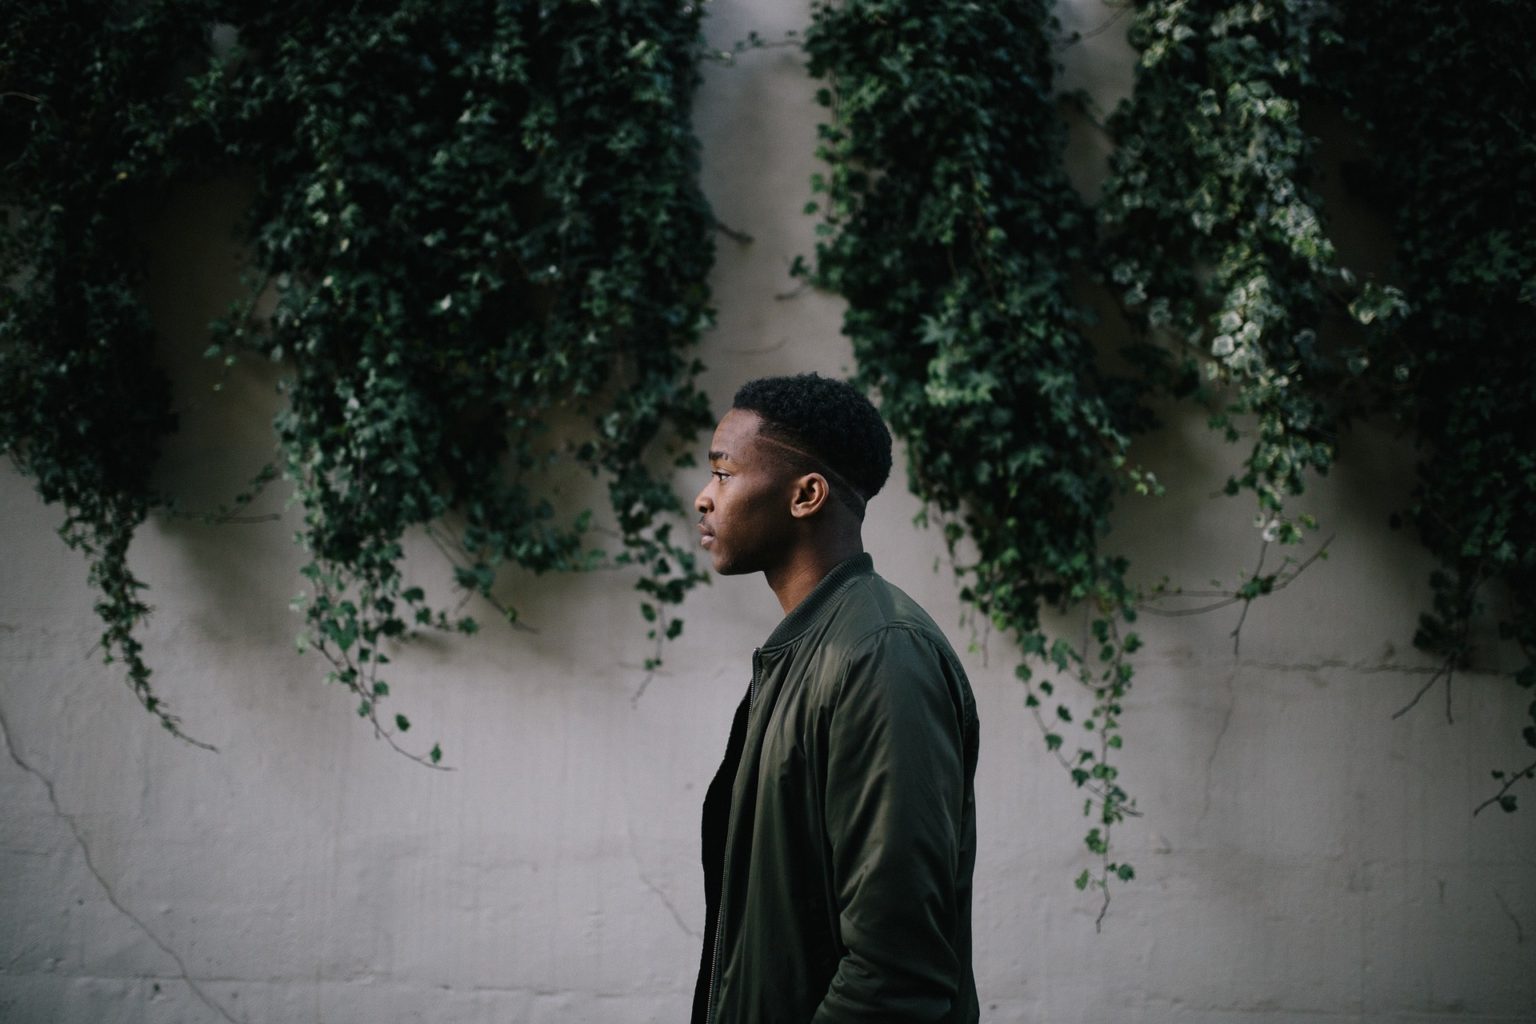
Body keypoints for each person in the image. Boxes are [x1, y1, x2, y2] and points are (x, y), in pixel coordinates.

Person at [690, 373, 980, 1024]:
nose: (705, 498)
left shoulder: (879, 656)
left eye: (724, 473)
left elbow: (896, 974)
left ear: (806, 495)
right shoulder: (806, 650)